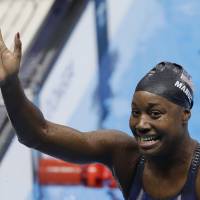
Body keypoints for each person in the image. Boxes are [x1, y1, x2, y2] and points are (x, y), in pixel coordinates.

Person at [0, 30, 200, 200]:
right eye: (135, 113)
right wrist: (9, 85)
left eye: (155, 114)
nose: (141, 124)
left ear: (185, 115)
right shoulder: (125, 156)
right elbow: (37, 134)